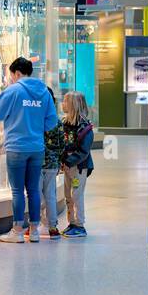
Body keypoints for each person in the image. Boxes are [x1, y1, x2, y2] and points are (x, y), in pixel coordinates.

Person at [0, 56, 58, 244]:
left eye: (11, 75)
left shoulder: (13, 91)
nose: (10, 79)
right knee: (33, 189)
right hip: (37, 148)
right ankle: (34, 231)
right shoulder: (44, 92)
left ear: (16, 73)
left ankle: (17, 231)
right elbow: (51, 122)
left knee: (17, 191)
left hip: (17, 147)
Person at [37, 85, 71, 240]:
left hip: (36, 163)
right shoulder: (56, 121)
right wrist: (58, 161)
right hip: (52, 165)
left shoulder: (34, 119)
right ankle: (53, 227)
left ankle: (34, 226)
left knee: (35, 195)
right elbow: (62, 144)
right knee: (50, 195)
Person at [59, 90, 94, 238]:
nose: (63, 104)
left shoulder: (85, 127)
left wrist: (68, 161)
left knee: (76, 195)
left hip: (79, 167)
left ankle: (80, 225)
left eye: (66, 101)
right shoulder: (64, 123)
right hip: (67, 167)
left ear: (73, 104)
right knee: (68, 195)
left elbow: (83, 151)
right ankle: (71, 222)